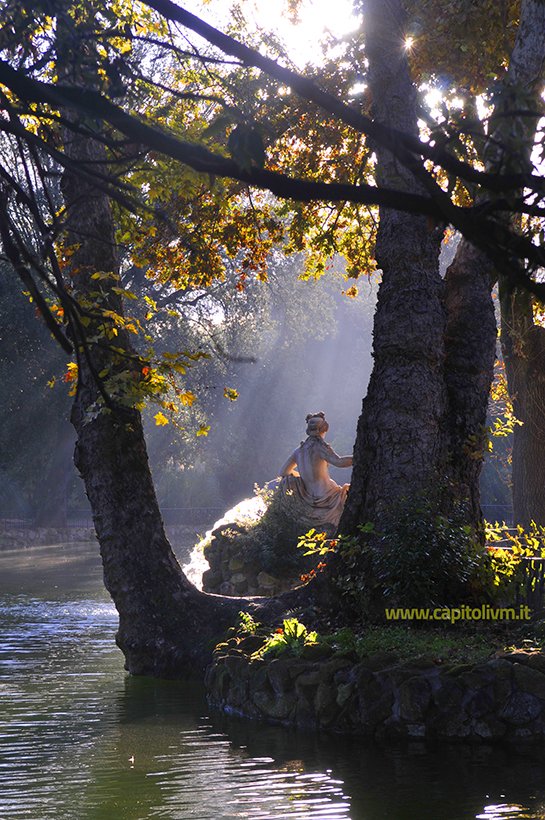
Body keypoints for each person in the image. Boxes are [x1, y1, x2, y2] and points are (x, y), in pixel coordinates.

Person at [278, 412, 353, 529]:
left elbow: (283, 472)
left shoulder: (299, 450)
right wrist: (360, 457)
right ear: (324, 429)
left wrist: (301, 476)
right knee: (349, 494)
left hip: (309, 499)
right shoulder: (320, 447)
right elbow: (339, 462)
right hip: (328, 497)